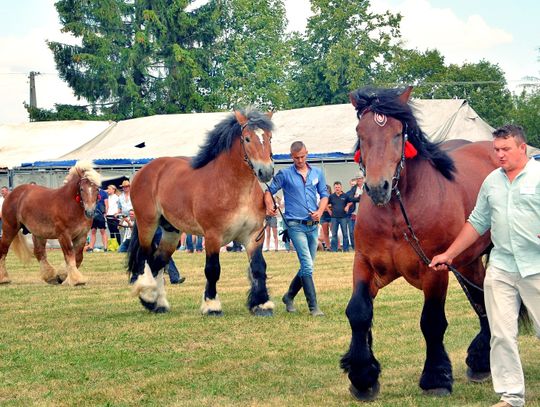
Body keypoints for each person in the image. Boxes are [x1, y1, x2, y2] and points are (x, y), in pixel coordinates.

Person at [429, 125, 540, 407]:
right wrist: (450, 254)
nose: (500, 155)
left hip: (535, 267)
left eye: (506, 149)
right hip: (502, 268)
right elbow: (477, 222)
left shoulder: (538, 177)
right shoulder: (492, 181)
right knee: (501, 334)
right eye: (497, 150)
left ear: (522, 148)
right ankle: (511, 396)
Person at [265, 141, 329, 316]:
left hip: (313, 225)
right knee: (307, 265)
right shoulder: (285, 174)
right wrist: (270, 205)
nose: (300, 160)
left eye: (302, 156)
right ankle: (314, 307)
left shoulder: (317, 173)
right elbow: (269, 191)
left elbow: (324, 195)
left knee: (306, 266)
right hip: (294, 225)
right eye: (296, 158)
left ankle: (289, 296)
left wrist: (320, 211)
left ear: (307, 153)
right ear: (291, 157)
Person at [328, 181, 352, 252]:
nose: (337, 189)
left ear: (341, 187)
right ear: (334, 188)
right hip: (334, 218)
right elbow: (326, 204)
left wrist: (347, 206)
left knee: (345, 234)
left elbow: (350, 202)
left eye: (338, 187)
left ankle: (346, 249)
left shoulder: (345, 196)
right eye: (336, 187)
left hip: (343, 217)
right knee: (334, 234)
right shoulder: (331, 196)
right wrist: (329, 211)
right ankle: (334, 250)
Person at [87, 187, 108, 252]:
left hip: (100, 214)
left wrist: (105, 213)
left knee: (102, 231)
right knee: (93, 231)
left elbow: (106, 205)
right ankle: (91, 248)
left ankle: (105, 248)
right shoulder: (90, 192)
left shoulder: (103, 193)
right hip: (93, 214)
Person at [346, 174, 364, 250]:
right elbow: (350, 198)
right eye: (357, 179)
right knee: (352, 231)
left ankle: (364, 247)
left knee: (364, 231)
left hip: (365, 214)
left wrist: (357, 197)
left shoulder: (366, 187)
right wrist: (361, 197)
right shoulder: (353, 188)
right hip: (354, 213)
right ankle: (355, 248)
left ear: (363, 179)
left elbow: (368, 197)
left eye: (360, 179)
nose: (359, 180)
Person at [318, 184, 332, 251]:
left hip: (331, 215)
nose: (326, 191)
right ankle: (328, 247)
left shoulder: (332, 197)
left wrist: (326, 206)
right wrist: (326, 206)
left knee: (333, 231)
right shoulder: (321, 197)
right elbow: (320, 206)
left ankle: (337, 247)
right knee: (325, 232)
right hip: (323, 215)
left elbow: (333, 205)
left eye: (327, 189)